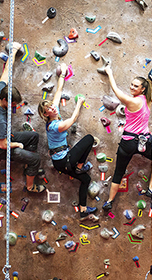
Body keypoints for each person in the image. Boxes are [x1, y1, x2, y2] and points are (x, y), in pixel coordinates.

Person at [100, 64, 152, 211]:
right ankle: (150, 189)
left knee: (119, 171)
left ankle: (109, 201)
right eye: (132, 84)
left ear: (142, 89)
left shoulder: (132, 101)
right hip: (143, 142)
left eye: (135, 86)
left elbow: (116, 91)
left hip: (128, 142)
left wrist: (109, 72)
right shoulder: (148, 99)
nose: (132, 87)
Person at [38, 63, 97, 219]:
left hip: (62, 162)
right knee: (89, 138)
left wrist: (62, 75)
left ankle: (83, 211)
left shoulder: (55, 114)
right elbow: (73, 119)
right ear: (46, 115)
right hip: (64, 160)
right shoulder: (55, 125)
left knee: (86, 179)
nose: (52, 108)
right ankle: (79, 166)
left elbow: (58, 92)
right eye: (48, 110)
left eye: (51, 106)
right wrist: (79, 103)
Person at [0, 42, 42, 192]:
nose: (15, 107)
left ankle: (27, 163)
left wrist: (13, 52)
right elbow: (3, 145)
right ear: (5, 100)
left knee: (34, 136)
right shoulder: (0, 121)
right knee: (36, 160)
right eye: (13, 104)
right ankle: (30, 186)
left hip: (4, 136)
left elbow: (5, 76)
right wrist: (17, 145)